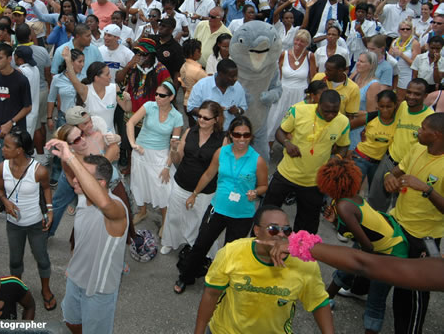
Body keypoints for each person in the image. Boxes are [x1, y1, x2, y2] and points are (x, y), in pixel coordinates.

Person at [193, 206, 334, 334]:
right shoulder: (232, 252)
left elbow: (319, 303)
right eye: (273, 229)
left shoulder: (304, 265)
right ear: (257, 231)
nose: (281, 235)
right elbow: (211, 294)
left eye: (286, 230)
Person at [44, 139, 128, 334]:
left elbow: (104, 203)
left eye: (83, 176)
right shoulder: (82, 198)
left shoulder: (116, 210)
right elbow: (71, 173)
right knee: (72, 321)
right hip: (75, 279)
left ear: (101, 183)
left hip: (99, 290)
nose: (75, 179)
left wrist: (71, 158)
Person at [175, 116, 268, 293]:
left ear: (251, 136)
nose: (242, 139)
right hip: (217, 209)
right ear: (230, 135)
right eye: (237, 135)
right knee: (201, 244)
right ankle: (185, 276)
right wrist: (194, 194)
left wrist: (256, 192)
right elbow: (209, 174)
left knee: (232, 253)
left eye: (246, 135)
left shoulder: (258, 160)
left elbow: (264, 185)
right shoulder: (222, 152)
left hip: (242, 215)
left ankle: (223, 284)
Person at [316, 158, 408, 333]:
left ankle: (368, 326)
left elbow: (367, 247)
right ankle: (325, 302)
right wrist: (335, 222)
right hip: (382, 240)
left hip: (391, 252)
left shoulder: (343, 205)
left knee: (375, 299)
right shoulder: (346, 197)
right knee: (345, 267)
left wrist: (357, 265)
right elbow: (357, 234)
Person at [381, 112, 444, 333]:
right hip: (398, 224)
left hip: (423, 237)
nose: (419, 131)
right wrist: (389, 178)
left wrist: (427, 189)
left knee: (415, 291)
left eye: (424, 128)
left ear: (437, 135)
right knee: (397, 283)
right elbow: (395, 172)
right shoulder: (417, 148)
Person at [262, 90, 350, 233]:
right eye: (327, 111)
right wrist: (287, 144)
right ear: (318, 105)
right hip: (286, 175)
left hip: (314, 182)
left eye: (335, 112)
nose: (331, 115)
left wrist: (337, 158)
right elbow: (280, 131)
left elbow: (344, 145)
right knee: (267, 214)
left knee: (307, 227)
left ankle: (299, 252)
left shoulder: (343, 121)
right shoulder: (298, 111)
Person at [0, 129, 55, 312]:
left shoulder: (39, 170)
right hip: (13, 225)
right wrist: (6, 202)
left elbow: (46, 189)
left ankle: (46, 290)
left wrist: (50, 211)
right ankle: (18, 291)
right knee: (15, 261)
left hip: (36, 223)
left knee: (42, 258)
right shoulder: (1, 167)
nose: (2, 149)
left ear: (19, 150)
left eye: (7, 146)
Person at [161, 100, 225, 256]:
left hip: (205, 189)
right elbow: (178, 160)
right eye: (199, 116)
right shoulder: (190, 131)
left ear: (216, 120)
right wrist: (174, 150)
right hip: (181, 182)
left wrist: (196, 193)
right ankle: (171, 241)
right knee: (174, 216)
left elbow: (218, 168)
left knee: (199, 220)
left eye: (206, 118)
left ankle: (197, 247)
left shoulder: (223, 139)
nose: (201, 120)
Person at [368, 78, 433, 211]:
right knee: (375, 201)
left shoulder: (430, 118)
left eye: (417, 94)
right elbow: (386, 117)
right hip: (389, 161)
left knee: (399, 206)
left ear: (425, 96)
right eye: (409, 92)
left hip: (409, 168)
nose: (411, 96)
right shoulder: (402, 106)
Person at [127, 81, 183, 231]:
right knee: (140, 183)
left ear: (171, 98)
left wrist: (167, 166)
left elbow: (174, 145)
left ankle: (165, 222)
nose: (157, 97)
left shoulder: (177, 117)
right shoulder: (148, 106)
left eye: (162, 95)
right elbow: (130, 123)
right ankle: (142, 211)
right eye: (156, 94)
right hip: (140, 151)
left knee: (163, 189)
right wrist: (133, 144)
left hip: (160, 155)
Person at [266, 30, 316, 147]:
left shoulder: (310, 56)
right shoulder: (284, 54)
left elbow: (313, 78)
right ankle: (268, 149)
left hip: (300, 94)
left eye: (302, 41)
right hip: (283, 92)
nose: (298, 43)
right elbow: (276, 75)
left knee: (296, 123)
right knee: (274, 120)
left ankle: (291, 148)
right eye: (297, 40)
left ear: (307, 43)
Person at [63, 46, 118, 133]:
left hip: (111, 138)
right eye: (107, 74)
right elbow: (74, 80)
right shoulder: (86, 91)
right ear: (97, 78)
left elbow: (127, 108)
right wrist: (68, 60)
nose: (110, 77)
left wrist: (126, 98)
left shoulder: (115, 88)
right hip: (92, 139)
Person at [188, 58, 247, 131]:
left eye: (236, 76)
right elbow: (191, 109)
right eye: (231, 76)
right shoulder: (202, 86)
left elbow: (243, 107)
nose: (235, 79)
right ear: (221, 74)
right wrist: (210, 112)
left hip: (229, 132)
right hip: (207, 131)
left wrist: (237, 111)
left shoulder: (238, 87)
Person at [389, 19, 421, 101]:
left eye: (408, 29)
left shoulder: (415, 43)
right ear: (399, 30)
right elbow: (388, 58)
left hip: (406, 75)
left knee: (401, 99)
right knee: (392, 98)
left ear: (411, 30)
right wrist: (392, 54)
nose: (405, 30)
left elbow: (415, 64)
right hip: (394, 74)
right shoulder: (395, 41)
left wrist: (402, 55)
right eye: (403, 29)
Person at [179, 39, 207, 126]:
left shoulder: (183, 66)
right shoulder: (198, 71)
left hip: (186, 101)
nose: (200, 53)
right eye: (199, 51)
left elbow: (184, 87)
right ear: (193, 53)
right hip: (196, 104)